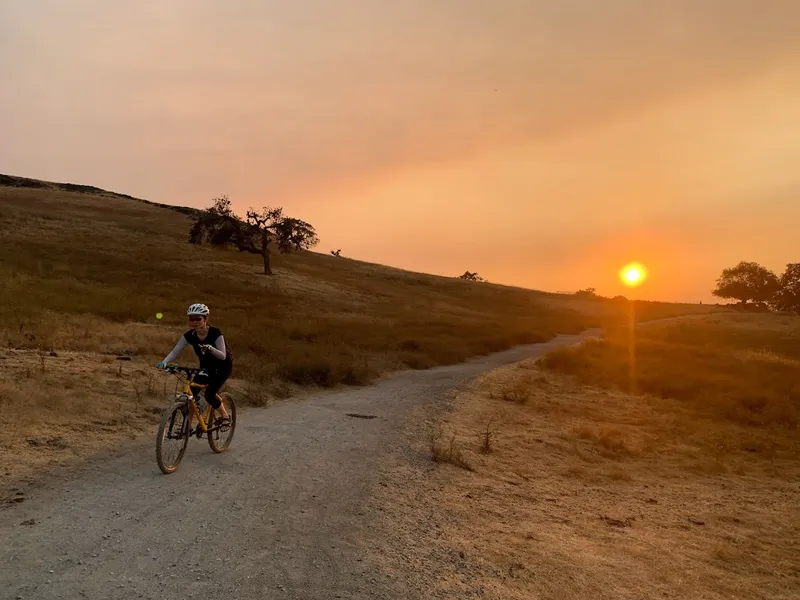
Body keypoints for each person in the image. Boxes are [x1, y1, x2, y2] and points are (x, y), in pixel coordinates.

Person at [157, 303, 233, 427]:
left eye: (198, 319)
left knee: (209, 394)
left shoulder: (215, 333)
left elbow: (222, 355)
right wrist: (164, 362)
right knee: (190, 394)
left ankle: (224, 415)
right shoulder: (189, 336)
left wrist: (210, 348)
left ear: (205, 319)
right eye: (192, 319)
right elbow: (175, 351)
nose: (195, 322)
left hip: (222, 367)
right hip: (206, 367)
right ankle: (188, 425)